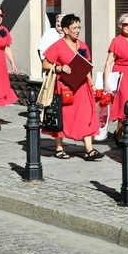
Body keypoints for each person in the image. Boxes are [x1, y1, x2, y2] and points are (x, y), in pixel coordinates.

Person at [41, 14, 104, 160]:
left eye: (79, 27)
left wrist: (91, 83)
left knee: (87, 115)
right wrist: (60, 68)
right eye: (74, 27)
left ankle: (89, 149)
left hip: (83, 86)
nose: (77, 30)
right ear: (65, 30)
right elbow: (45, 64)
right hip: (65, 88)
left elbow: (87, 66)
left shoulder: (82, 45)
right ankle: (59, 148)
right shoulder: (57, 46)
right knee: (63, 116)